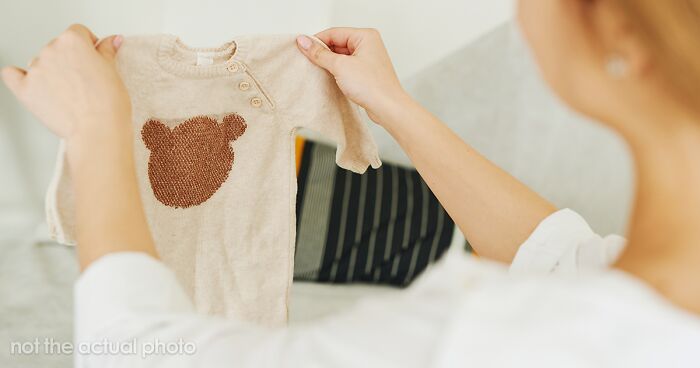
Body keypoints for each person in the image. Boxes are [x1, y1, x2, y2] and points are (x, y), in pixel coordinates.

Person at [3, 0, 700, 366]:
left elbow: (142, 355)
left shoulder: (483, 336)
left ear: (618, 32)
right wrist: (390, 106)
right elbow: (564, 257)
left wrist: (97, 130)